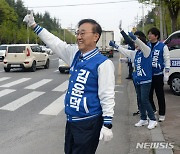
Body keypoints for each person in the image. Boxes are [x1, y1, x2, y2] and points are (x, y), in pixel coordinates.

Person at [23, 12, 115, 154]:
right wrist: (34, 26)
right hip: (72, 121)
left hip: (88, 122)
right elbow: (55, 42)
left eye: (83, 33)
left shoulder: (103, 63)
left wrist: (107, 124)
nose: (78, 37)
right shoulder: (75, 54)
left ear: (96, 36)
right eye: (78, 33)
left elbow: (107, 95)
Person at [109, 31, 157, 129]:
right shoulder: (136, 53)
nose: (135, 45)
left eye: (136, 44)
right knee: (140, 100)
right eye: (135, 44)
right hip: (137, 80)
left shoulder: (147, 51)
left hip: (145, 80)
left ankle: (152, 119)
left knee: (144, 99)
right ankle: (143, 118)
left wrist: (135, 38)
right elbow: (125, 51)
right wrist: (115, 46)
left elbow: (141, 44)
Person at [147, 27, 170, 122]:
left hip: (158, 75)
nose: (149, 35)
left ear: (156, 36)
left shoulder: (162, 46)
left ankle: (162, 113)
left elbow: (167, 59)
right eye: (148, 34)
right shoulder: (147, 45)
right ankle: (152, 110)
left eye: (151, 34)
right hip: (148, 75)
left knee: (160, 95)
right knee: (148, 95)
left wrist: (166, 73)